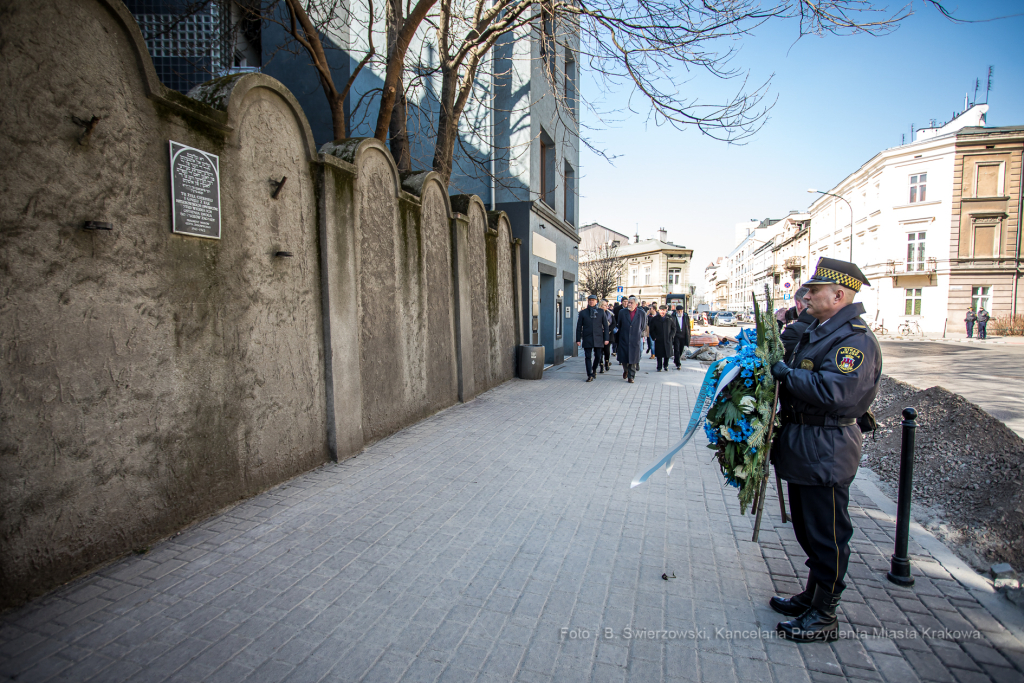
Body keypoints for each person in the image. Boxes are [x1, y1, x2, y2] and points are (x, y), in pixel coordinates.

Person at [769, 258, 882, 643]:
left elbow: (836, 391)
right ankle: (811, 597)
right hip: (809, 445)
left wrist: (789, 375)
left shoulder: (854, 339)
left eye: (814, 290)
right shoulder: (822, 330)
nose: (807, 295)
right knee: (808, 529)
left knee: (828, 535)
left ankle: (824, 616)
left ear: (838, 295)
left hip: (827, 448)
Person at [576, 294, 609, 382]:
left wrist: (606, 338)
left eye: (593, 300)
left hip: (598, 338)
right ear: (588, 301)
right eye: (590, 300)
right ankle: (589, 374)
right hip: (587, 337)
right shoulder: (583, 312)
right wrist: (578, 339)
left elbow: (605, 326)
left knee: (598, 356)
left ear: (596, 301)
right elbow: (579, 327)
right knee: (587, 357)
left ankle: (594, 369)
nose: (591, 301)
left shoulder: (601, 312)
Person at [616, 296, 647, 383]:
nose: (629, 304)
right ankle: (626, 370)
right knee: (624, 357)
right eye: (628, 302)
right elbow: (620, 324)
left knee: (633, 358)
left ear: (636, 304)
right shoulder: (622, 312)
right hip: (624, 338)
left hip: (635, 338)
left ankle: (631, 376)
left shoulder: (641, 313)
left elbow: (643, 326)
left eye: (631, 303)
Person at [780, 287, 814, 363]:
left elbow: (772, 352)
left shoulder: (794, 331)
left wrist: (778, 323)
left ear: (798, 304)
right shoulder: (825, 323)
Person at [648, 305, 676, 371]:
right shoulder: (655, 319)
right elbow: (652, 329)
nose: (662, 312)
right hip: (659, 338)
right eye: (661, 310)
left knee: (667, 354)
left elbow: (674, 328)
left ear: (666, 311)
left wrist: (671, 336)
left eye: (663, 310)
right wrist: (654, 337)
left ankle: (666, 365)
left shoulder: (670, 318)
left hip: (667, 338)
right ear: (659, 310)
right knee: (659, 354)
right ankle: (659, 367)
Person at [599, 299, 614, 372]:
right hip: (599, 335)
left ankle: (607, 362)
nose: (606, 307)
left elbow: (614, 323)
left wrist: (608, 330)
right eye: (605, 305)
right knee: (599, 351)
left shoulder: (610, 314)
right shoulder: (597, 313)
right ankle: (601, 364)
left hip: (608, 334)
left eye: (607, 305)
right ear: (601, 306)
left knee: (607, 350)